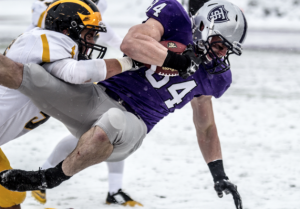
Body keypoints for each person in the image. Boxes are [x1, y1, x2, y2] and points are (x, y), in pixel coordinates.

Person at [0, 0, 247, 208]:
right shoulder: (174, 17)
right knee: (35, 76)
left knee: (113, 122)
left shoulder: (217, 76)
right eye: (219, 45)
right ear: (203, 27)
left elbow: (205, 126)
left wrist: (219, 174)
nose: (222, 54)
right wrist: (177, 61)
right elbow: (131, 43)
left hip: (135, 124)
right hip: (96, 98)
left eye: (227, 49)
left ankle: (49, 177)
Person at [0, 0, 136, 208]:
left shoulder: (53, 58)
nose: (92, 41)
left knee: (10, 200)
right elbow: (78, 73)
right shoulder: (42, 39)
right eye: (89, 34)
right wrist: (130, 62)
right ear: (66, 30)